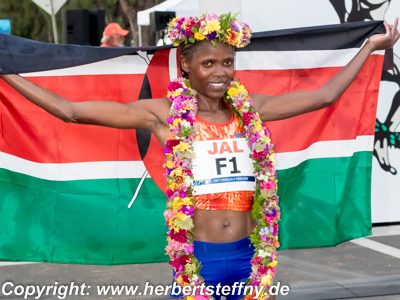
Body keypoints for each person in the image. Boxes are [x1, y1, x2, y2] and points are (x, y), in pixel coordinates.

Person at [0, 13, 398, 300]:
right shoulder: (163, 114)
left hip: (250, 262)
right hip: (199, 267)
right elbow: (71, 110)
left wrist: (370, 47)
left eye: (227, 61)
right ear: (186, 66)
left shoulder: (250, 109)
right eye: (208, 63)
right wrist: (6, 72)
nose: (220, 72)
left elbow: (324, 96)